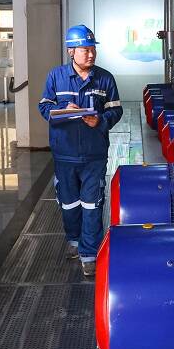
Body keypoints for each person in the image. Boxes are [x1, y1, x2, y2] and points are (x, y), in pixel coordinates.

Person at [38, 25, 123, 276]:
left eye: (92, 49)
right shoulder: (56, 77)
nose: (91, 54)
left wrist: (101, 120)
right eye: (85, 50)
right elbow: (44, 107)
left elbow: (116, 110)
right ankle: (74, 239)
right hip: (64, 154)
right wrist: (63, 110)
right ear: (71, 51)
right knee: (69, 204)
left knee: (92, 204)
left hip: (94, 154)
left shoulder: (105, 79)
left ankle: (89, 254)